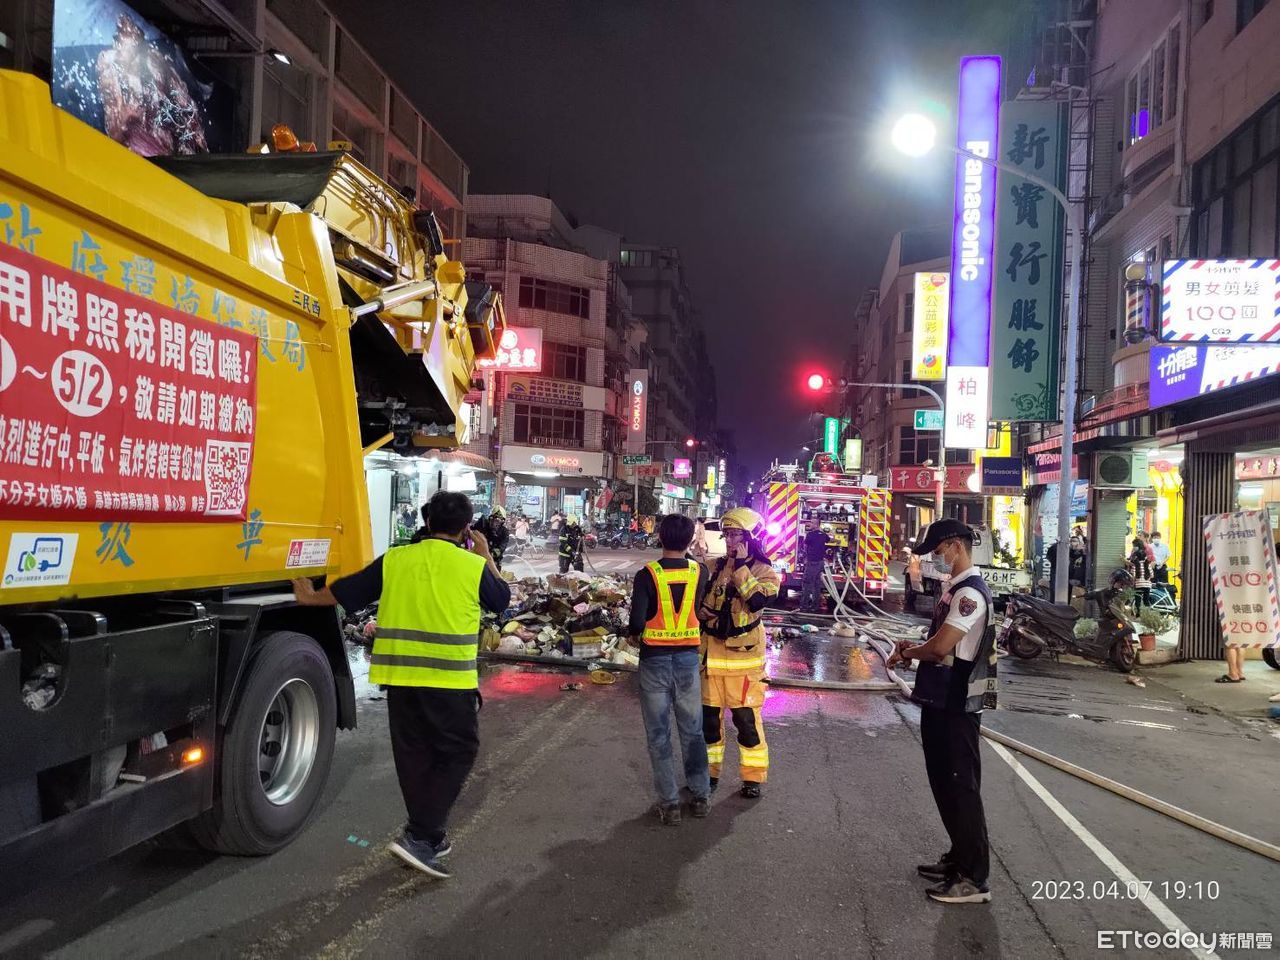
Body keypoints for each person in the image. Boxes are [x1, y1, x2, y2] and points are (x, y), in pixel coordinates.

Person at [291, 491, 510, 880]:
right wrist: (486, 555)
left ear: (427, 523)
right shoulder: (471, 566)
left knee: (414, 756)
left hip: (400, 679)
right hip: (448, 681)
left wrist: (308, 596)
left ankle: (430, 834)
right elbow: (501, 601)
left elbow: (348, 592)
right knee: (458, 753)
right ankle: (421, 837)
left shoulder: (396, 559)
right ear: (466, 529)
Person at [888, 519, 997, 905]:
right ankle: (957, 858)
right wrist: (914, 652)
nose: (934, 558)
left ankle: (973, 878)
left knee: (961, 787)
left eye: (937, 550)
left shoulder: (971, 595)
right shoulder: (955, 590)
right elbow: (940, 647)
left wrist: (908, 652)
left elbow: (941, 647)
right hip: (940, 700)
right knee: (943, 782)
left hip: (956, 706)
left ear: (955, 546)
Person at [629, 514, 711, 824]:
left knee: (659, 734)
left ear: (660, 538)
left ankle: (671, 804)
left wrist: (636, 635)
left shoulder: (647, 574)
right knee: (692, 731)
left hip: (654, 662)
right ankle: (701, 796)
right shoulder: (699, 572)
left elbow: (637, 623)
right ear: (691, 540)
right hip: (688, 661)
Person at [698, 507, 780, 798]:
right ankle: (707, 775)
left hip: (744, 663)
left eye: (737, 535)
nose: (730, 541)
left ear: (751, 537)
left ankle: (753, 778)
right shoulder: (716, 566)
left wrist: (742, 566)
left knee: (746, 723)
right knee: (709, 725)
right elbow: (704, 606)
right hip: (710, 661)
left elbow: (757, 601)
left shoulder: (765, 571)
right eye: (728, 535)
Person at [799, 519, 828, 612]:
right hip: (820, 563)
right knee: (816, 584)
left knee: (807, 584)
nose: (810, 524)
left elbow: (805, 544)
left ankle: (804, 607)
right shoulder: (823, 535)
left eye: (811, 522)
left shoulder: (810, 535)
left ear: (816, 525)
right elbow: (828, 540)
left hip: (812, 562)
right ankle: (815, 607)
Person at [1128, 538, 1153, 610]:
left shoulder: (1135, 565)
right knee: (1146, 601)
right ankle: (1148, 614)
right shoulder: (1148, 565)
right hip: (1147, 586)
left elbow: (1133, 576)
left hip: (1138, 585)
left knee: (1138, 602)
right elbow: (1152, 575)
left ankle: (1138, 614)